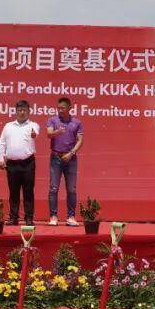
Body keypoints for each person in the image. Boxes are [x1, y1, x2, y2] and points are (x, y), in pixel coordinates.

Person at [0, 99, 40, 225]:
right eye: (20, 110)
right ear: (16, 111)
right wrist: (1, 158)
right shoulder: (8, 126)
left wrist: (33, 134)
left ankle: (29, 218)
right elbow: (2, 143)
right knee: (13, 191)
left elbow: (35, 133)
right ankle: (13, 217)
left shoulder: (33, 125)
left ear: (28, 111)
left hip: (28, 163)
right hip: (12, 164)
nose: (22, 112)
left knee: (28, 191)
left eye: (24, 110)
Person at [46, 96, 84, 226]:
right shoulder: (53, 120)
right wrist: (58, 132)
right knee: (53, 188)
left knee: (71, 189)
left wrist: (71, 153)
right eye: (58, 108)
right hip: (56, 158)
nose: (60, 110)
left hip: (71, 158)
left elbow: (80, 141)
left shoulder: (77, 122)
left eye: (63, 108)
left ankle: (71, 217)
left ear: (69, 108)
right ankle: (53, 216)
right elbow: (49, 134)